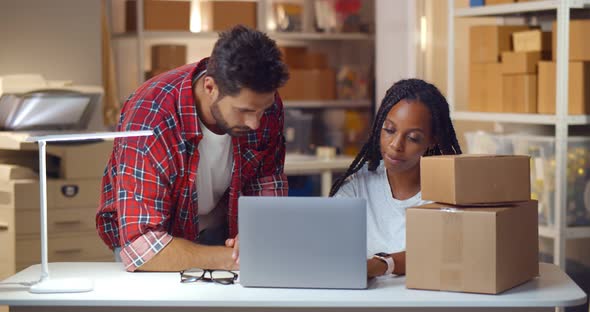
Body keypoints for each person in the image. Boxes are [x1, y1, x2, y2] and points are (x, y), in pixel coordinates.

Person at [96, 25, 289, 272]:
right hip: (160, 245)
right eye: (244, 111)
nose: (255, 123)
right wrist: (239, 259)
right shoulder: (151, 114)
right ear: (210, 87)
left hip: (223, 234)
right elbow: (142, 247)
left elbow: (266, 180)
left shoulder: (260, 102)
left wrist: (258, 232)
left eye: (263, 110)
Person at [330, 79, 462, 278]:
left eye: (413, 138)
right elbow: (325, 244)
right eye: (389, 130)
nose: (395, 145)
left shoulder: (446, 193)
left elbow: (446, 254)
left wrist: (381, 264)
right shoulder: (357, 186)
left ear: (431, 140)